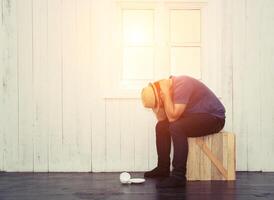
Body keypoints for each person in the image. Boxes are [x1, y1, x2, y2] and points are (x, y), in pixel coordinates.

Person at [141, 75, 226, 188]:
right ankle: (163, 168)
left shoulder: (182, 84)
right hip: (196, 116)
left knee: (176, 127)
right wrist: (156, 104)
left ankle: (178, 176)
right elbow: (162, 119)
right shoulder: (169, 90)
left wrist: (165, 95)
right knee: (161, 127)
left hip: (214, 118)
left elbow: (172, 117)